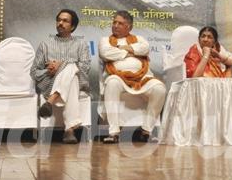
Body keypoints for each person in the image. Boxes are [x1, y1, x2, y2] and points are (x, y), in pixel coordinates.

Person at [98, 10, 166, 144]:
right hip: (118, 77)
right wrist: (130, 52)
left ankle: (146, 131)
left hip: (142, 78)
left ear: (129, 27)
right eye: (114, 22)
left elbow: (144, 49)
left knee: (160, 89)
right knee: (111, 82)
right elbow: (106, 53)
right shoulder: (105, 40)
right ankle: (114, 132)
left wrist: (120, 48)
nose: (115, 25)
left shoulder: (140, 39)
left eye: (120, 23)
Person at [31, 9, 90, 144]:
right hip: (50, 83)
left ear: (73, 26)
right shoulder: (45, 45)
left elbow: (85, 67)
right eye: (59, 20)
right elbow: (34, 71)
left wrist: (61, 65)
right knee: (71, 73)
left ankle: (50, 102)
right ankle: (69, 130)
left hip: (77, 81)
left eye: (65, 21)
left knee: (72, 70)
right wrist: (48, 71)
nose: (60, 23)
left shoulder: (81, 44)